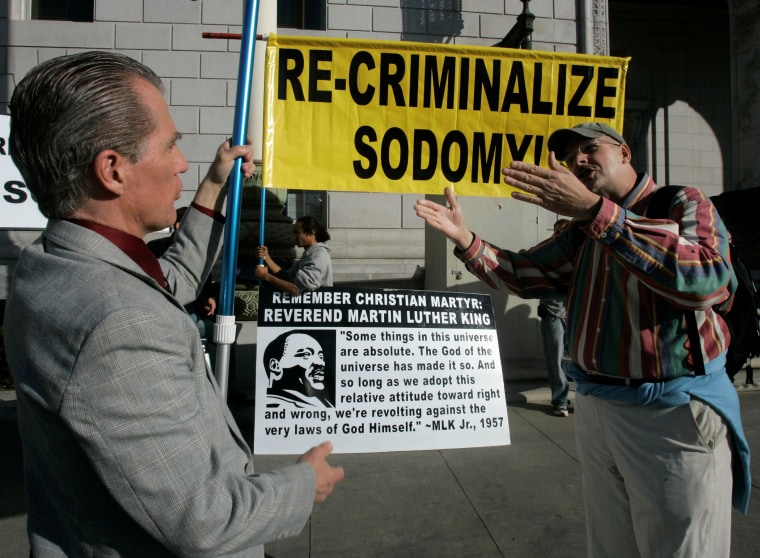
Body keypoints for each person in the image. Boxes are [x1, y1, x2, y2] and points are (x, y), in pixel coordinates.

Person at [4, 51, 343, 557]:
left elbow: (171, 283)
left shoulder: (53, 263)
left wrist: (213, 183)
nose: (182, 162)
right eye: (171, 146)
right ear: (113, 170)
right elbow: (204, 519)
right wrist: (302, 484)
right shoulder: (119, 323)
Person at [415, 122, 750, 557]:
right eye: (573, 157)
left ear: (626, 153)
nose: (580, 161)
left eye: (591, 149)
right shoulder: (582, 230)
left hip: (672, 415)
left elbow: (706, 280)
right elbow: (524, 272)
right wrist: (465, 238)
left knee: (681, 547)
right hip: (598, 408)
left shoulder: (682, 201)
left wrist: (598, 214)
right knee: (612, 546)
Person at [538, 218, 571, 417]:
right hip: (553, 314)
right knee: (556, 359)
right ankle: (560, 401)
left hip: (574, 313)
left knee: (577, 359)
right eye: (558, 233)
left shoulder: (577, 254)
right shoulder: (548, 255)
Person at [255, 215, 333, 295]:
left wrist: (266, 276)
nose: (294, 236)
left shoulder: (318, 255)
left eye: (297, 233)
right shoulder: (309, 254)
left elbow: (296, 289)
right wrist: (266, 257)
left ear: (311, 232)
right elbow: (286, 276)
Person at [264, 330, 335, 409]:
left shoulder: (321, 403)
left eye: (321, 357)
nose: (321, 363)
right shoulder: (278, 406)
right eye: (306, 355)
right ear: (275, 366)